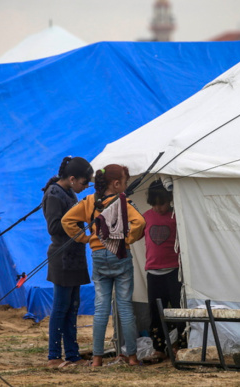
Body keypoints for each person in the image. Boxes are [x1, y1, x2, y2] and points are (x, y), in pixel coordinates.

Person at [61, 164, 145, 367]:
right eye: (125, 182)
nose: (125, 186)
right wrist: (127, 239)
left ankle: (97, 358)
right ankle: (132, 357)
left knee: (100, 308)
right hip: (120, 255)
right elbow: (140, 222)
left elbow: (67, 220)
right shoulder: (124, 202)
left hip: (98, 255)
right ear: (116, 184)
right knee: (124, 307)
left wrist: (86, 238)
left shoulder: (89, 201)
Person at [42, 156, 94, 368]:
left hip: (75, 256)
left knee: (73, 307)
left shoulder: (70, 192)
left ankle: (72, 355)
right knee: (61, 307)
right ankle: (54, 356)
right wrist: (78, 225)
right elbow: (54, 227)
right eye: (84, 183)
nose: (86, 187)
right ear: (72, 178)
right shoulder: (53, 194)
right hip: (62, 258)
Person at [142, 179, 185, 361]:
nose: (159, 208)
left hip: (174, 271)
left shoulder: (177, 217)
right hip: (153, 272)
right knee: (156, 311)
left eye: (162, 203)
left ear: (170, 199)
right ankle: (158, 348)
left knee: (178, 310)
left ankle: (181, 345)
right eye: (155, 204)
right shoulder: (145, 217)